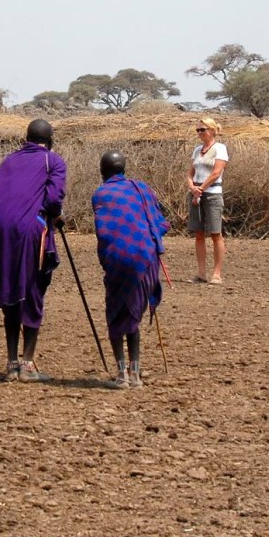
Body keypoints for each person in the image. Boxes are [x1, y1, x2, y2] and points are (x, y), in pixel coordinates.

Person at [0, 118, 66, 381]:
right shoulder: (53, 161)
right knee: (32, 289)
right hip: (31, 230)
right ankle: (27, 365)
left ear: (26, 139)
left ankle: (11, 363)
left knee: (10, 289)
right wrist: (52, 217)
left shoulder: (9, 159)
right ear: (50, 141)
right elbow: (53, 199)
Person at [91, 151, 168, 389]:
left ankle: (122, 373)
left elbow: (105, 231)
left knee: (116, 314)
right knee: (133, 316)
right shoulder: (142, 189)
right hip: (145, 258)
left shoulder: (101, 194)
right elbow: (159, 222)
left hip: (118, 260)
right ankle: (135, 374)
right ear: (124, 169)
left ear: (103, 172)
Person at [188, 117, 228, 284]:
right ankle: (201, 273)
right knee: (198, 234)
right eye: (198, 130)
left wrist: (201, 189)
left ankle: (217, 274)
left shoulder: (220, 148)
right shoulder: (197, 150)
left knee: (215, 233)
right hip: (196, 193)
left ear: (212, 131)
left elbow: (215, 173)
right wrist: (192, 188)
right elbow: (190, 173)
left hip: (212, 194)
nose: (199, 133)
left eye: (202, 130)